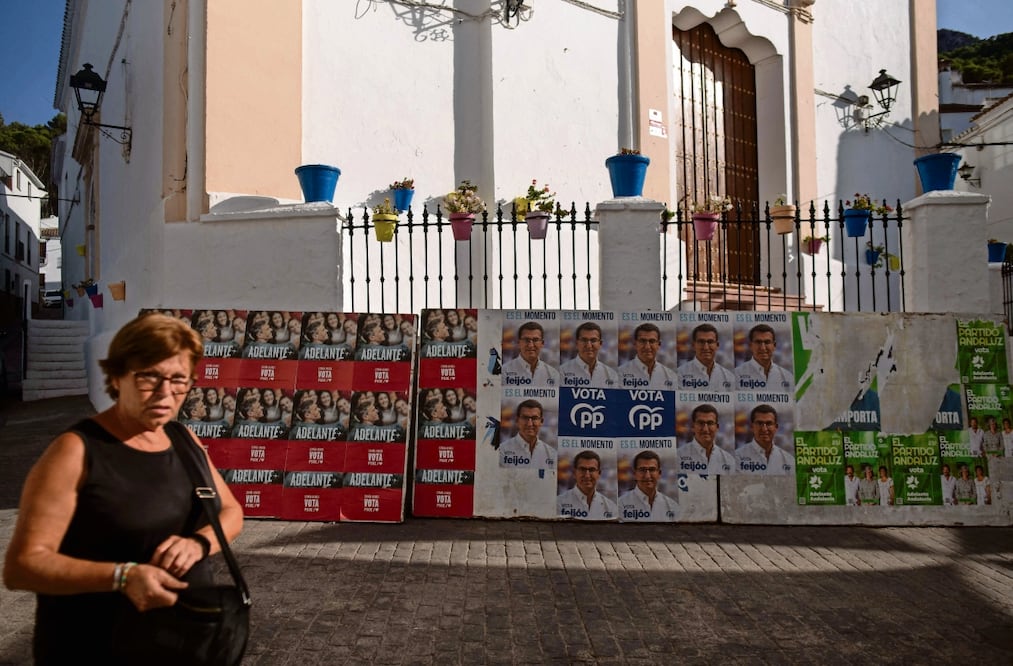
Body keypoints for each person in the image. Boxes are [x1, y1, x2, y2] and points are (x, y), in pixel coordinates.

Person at [2, 313, 243, 663]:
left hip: (181, 639)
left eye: (179, 380)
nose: (165, 393)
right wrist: (122, 576)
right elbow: (22, 567)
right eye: (149, 377)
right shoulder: (76, 450)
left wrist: (199, 543)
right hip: (94, 644)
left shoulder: (182, 438)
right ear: (117, 375)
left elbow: (231, 511)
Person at [618, 450, 680, 522]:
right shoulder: (621, 505)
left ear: (659, 473)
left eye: (652, 470)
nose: (647, 476)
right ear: (634, 474)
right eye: (642, 470)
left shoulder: (672, 506)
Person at [556, 450, 618, 520]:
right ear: (574, 473)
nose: (587, 475)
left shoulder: (610, 508)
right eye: (582, 469)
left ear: (599, 473)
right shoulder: (558, 504)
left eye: (591, 470)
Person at [677, 404, 735, 476]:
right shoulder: (678, 457)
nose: (705, 429)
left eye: (710, 423)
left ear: (717, 427)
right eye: (701, 423)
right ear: (692, 426)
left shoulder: (728, 460)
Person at [735, 404, 794, 474]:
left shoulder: (788, 460)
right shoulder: (737, 457)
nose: (764, 429)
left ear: (776, 427)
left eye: (769, 423)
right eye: (759, 423)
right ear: (752, 427)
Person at [499, 399, 556, 471]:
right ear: (517, 420)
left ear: (541, 421)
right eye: (525, 418)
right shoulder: (502, 451)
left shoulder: (551, 454)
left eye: (534, 418)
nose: (529, 424)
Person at [559, 321, 619, 388]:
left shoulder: (611, 375)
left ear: (600, 344)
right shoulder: (562, 372)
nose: (589, 345)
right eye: (584, 340)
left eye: (593, 340)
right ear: (576, 343)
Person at [734, 324, 792, 391]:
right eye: (758, 342)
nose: (763, 348)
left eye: (767, 342)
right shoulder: (737, 375)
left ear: (774, 345)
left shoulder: (787, 376)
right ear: (750, 345)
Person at [677, 323, 734, 391]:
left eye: (710, 342)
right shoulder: (679, 375)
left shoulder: (728, 377)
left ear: (717, 345)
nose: (706, 347)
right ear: (693, 345)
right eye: (701, 342)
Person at [501, 321, 560, 386]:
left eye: (535, 340)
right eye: (526, 340)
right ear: (518, 343)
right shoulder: (504, 372)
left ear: (542, 343)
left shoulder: (553, 374)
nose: (531, 345)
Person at [619, 323, 676, 389]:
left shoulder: (670, 376)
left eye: (652, 341)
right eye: (642, 341)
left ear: (659, 345)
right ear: (635, 344)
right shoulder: (620, 374)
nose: (647, 347)